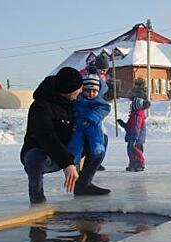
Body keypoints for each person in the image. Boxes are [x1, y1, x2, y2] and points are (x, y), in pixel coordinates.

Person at [20, 67, 110, 204]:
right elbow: (47, 138)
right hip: (46, 155)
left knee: (102, 140)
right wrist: (67, 163)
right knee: (35, 157)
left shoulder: (75, 101)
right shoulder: (40, 107)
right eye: (78, 89)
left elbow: (100, 93)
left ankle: (83, 184)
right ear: (67, 92)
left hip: (68, 150)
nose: (81, 91)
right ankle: (37, 196)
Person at [67, 73, 111, 172]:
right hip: (78, 125)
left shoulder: (98, 100)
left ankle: (98, 150)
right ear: (83, 90)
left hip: (92, 124)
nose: (91, 94)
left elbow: (105, 108)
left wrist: (91, 117)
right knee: (75, 141)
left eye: (94, 91)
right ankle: (73, 158)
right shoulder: (78, 99)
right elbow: (73, 107)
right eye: (88, 91)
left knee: (96, 137)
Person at [117, 97, 150, 172]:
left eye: (132, 104)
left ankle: (140, 164)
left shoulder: (137, 116)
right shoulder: (134, 116)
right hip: (133, 138)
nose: (130, 106)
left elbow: (136, 128)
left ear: (136, 106)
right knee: (131, 151)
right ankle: (133, 164)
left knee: (136, 151)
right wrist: (122, 124)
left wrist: (134, 138)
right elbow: (129, 127)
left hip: (136, 139)